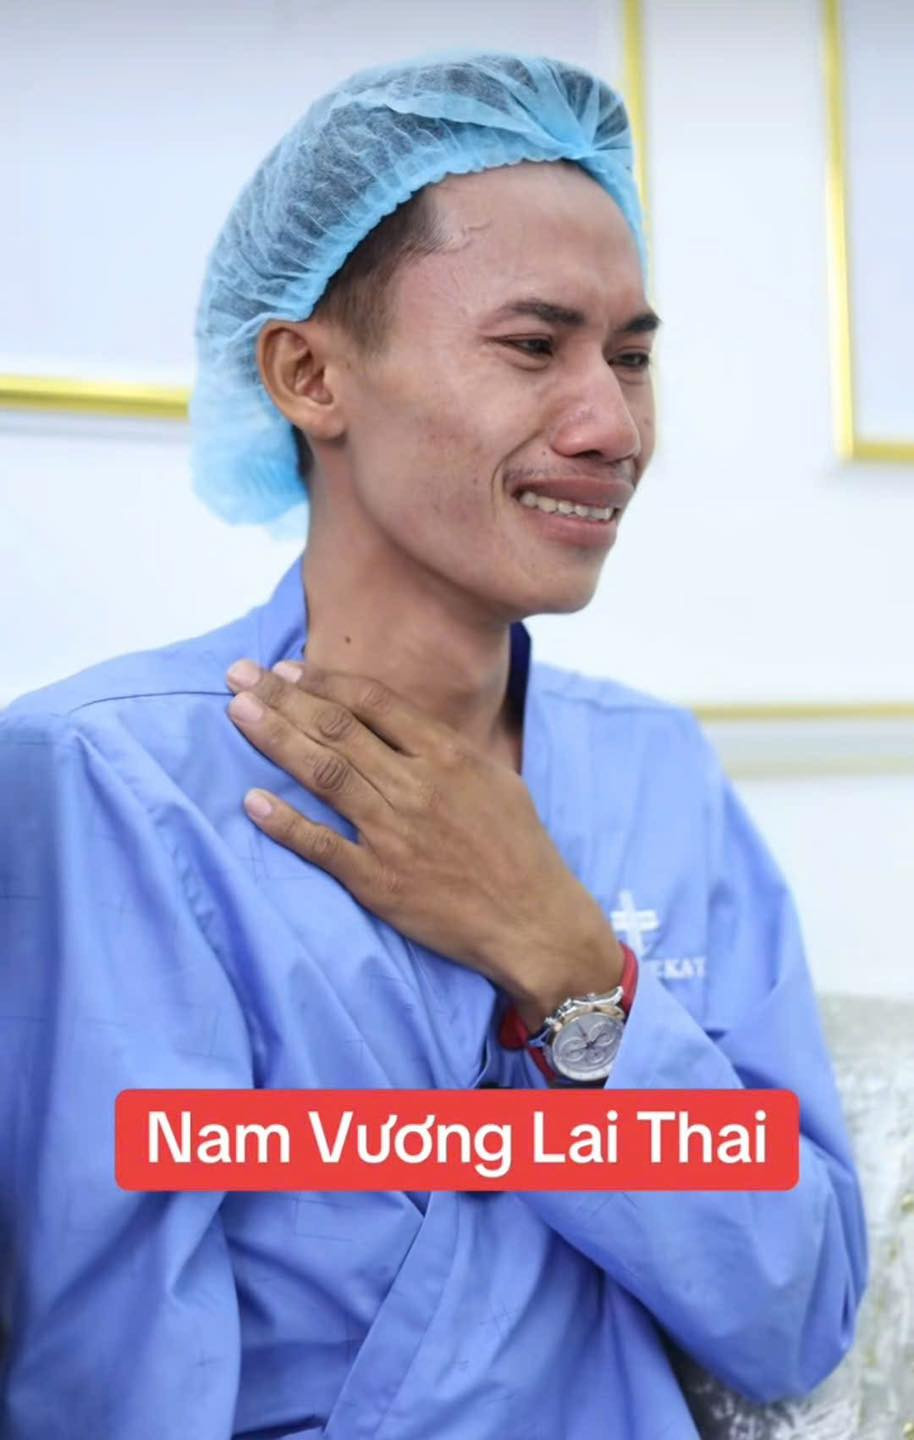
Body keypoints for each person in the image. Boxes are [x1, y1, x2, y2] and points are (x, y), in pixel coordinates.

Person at [0, 49, 867, 1440]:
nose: (612, 426)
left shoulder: (655, 774)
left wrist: (569, 968)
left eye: (631, 357)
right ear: (308, 374)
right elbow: (114, 1383)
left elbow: (794, 1315)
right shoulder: (108, 781)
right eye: (533, 346)